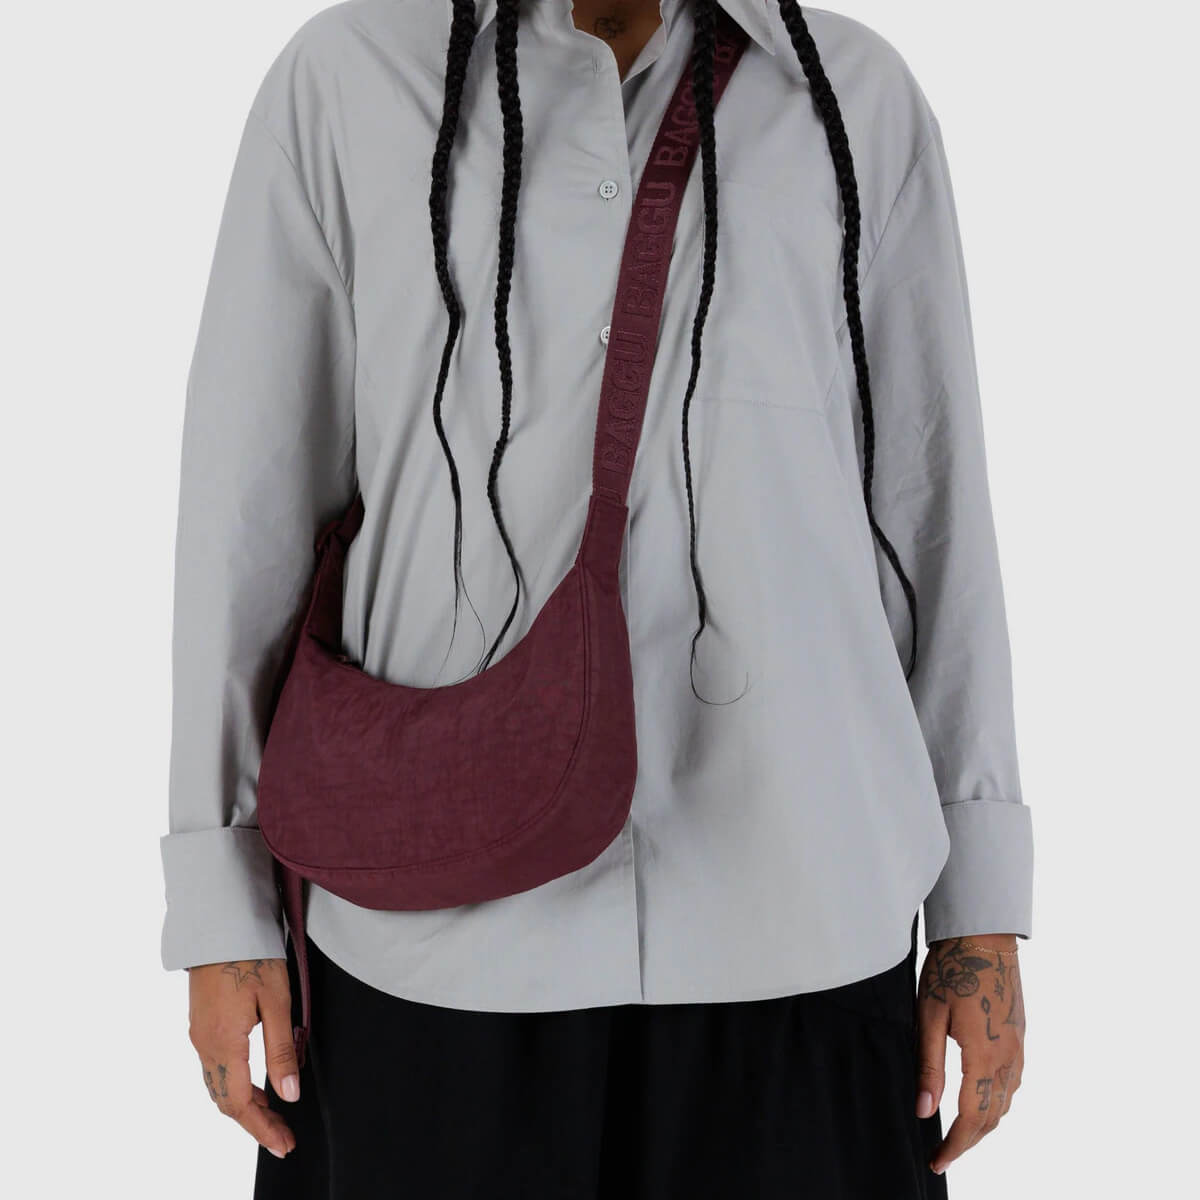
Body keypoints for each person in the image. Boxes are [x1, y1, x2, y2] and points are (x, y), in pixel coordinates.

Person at [161, 0, 1033, 1195]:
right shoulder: (346, 79)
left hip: (800, 920)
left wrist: (981, 909)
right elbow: (252, 511)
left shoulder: (853, 98)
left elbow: (932, 510)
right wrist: (220, 901)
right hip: (431, 947)